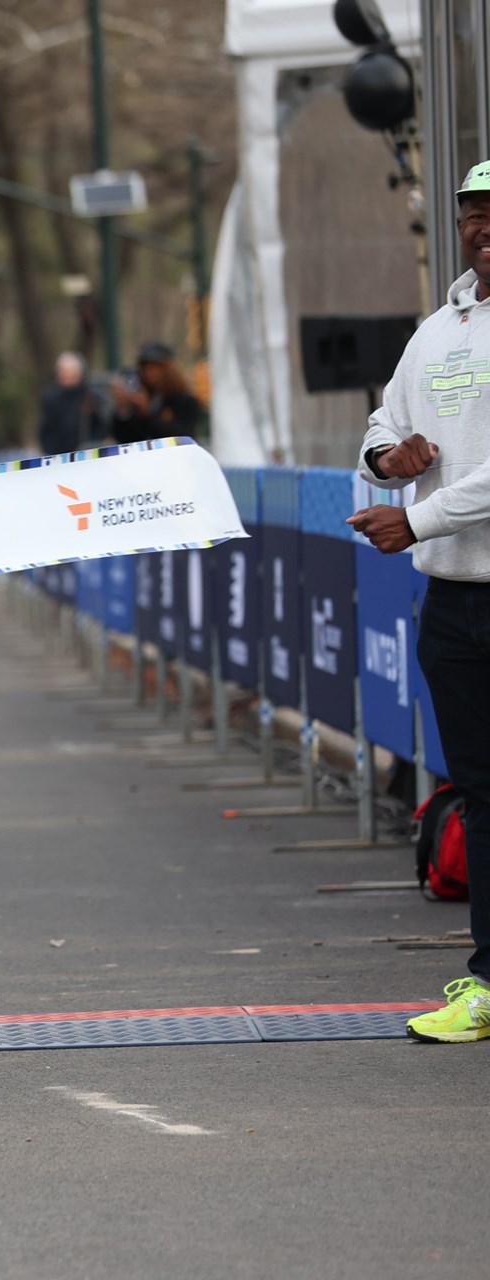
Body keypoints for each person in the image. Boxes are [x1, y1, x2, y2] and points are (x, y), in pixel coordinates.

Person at [349, 158, 490, 1044]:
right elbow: (382, 423)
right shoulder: (437, 330)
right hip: (453, 604)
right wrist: (386, 462)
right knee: (479, 794)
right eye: (474, 212)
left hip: (442, 554)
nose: (485, 227)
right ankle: (488, 982)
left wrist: (417, 518)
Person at [108, 341, 207, 444]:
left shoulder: (184, 401)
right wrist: (123, 410)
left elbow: (181, 436)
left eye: (156, 368)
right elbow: (126, 439)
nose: (151, 374)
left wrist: (147, 414)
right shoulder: (142, 399)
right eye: (146, 369)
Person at [36, 351, 95, 456]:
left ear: (78, 373)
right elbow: (46, 430)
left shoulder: (90, 396)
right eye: (60, 371)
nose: (63, 374)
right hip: (58, 455)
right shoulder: (50, 398)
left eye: (67, 371)